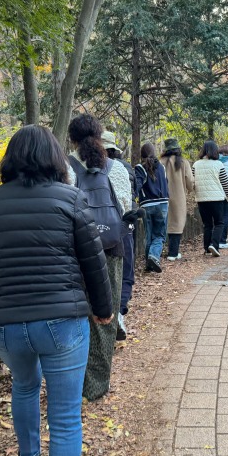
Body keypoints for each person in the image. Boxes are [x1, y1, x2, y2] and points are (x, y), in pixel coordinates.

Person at [0, 125, 113, 456]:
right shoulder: (70, 198)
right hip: (62, 322)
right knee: (66, 417)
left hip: (5, 323)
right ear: (55, 158)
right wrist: (103, 310)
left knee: (24, 385)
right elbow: (94, 260)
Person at [67, 114, 132, 402]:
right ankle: (97, 385)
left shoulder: (65, 168)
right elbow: (126, 206)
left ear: (72, 139)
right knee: (105, 314)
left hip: (75, 252)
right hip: (110, 249)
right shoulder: (116, 168)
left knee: (78, 314)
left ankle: (74, 380)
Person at [102, 131, 136, 341]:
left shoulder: (81, 168)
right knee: (125, 272)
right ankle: (120, 313)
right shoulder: (124, 168)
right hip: (122, 227)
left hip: (90, 231)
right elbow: (128, 200)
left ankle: (106, 318)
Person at [192, 140, 228, 256]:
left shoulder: (196, 164)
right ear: (215, 151)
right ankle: (214, 245)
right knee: (219, 223)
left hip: (201, 199)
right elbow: (225, 183)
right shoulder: (218, 164)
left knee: (207, 224)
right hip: (217, 199)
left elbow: (192, 182)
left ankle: (206, 249)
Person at [135, 142, 169, 273]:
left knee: (148, 235)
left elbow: (137, 185)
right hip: (163, 204)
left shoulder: (140, 167)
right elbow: (166, 183)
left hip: (147, 204)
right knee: (159, 235)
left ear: (141, 154)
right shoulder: (161, 167)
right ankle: (153, 257)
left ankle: (149, 262)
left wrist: (134, 197)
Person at [160, 138, 193, 261]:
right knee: (177, 224)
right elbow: (190, 181)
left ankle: (159, 251)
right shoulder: (183, 162)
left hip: (162, 196)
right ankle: (173, 253)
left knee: (165, 223)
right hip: (179, 197)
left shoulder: (160, 162)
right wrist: (190, 189)